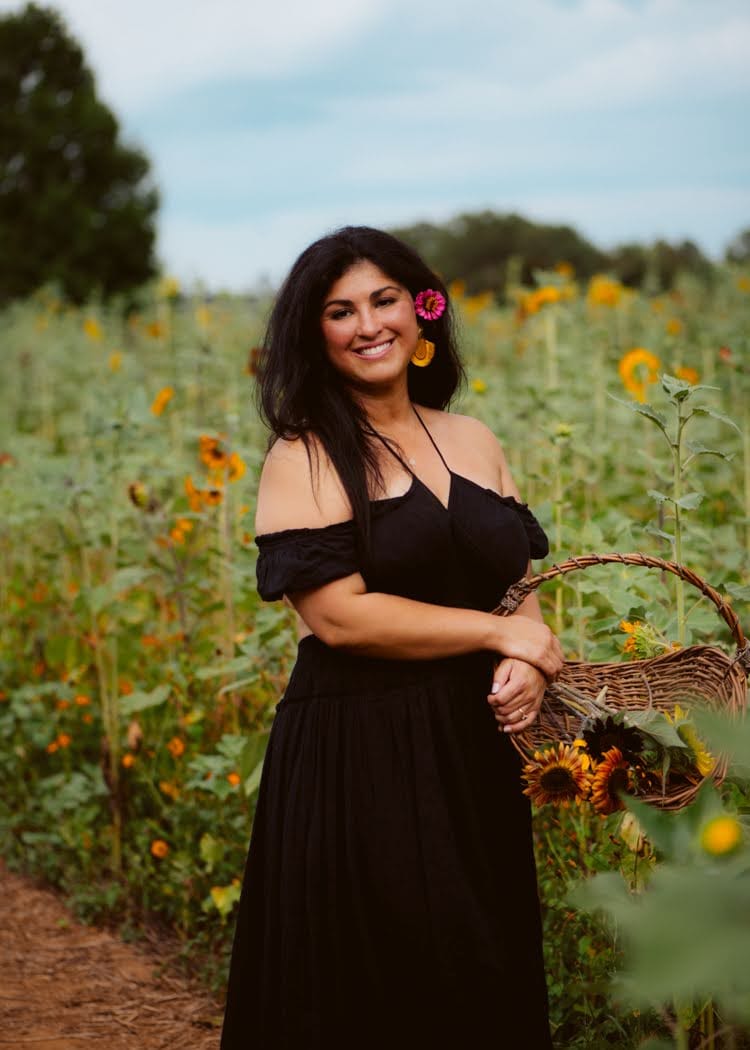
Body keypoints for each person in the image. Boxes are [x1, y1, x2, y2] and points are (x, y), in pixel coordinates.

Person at [220, 226, 564, 1050]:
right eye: (340, 312)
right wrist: (501, 634)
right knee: (382, 972)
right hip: (361, 740)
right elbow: (340, 615)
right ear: (316, 335)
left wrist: (533, 659)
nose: (369, 324)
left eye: (384, 300)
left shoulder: (474, 437)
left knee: (483, 957)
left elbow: (519, 587)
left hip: (474, 743)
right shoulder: (302, 456)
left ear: (424, 310)